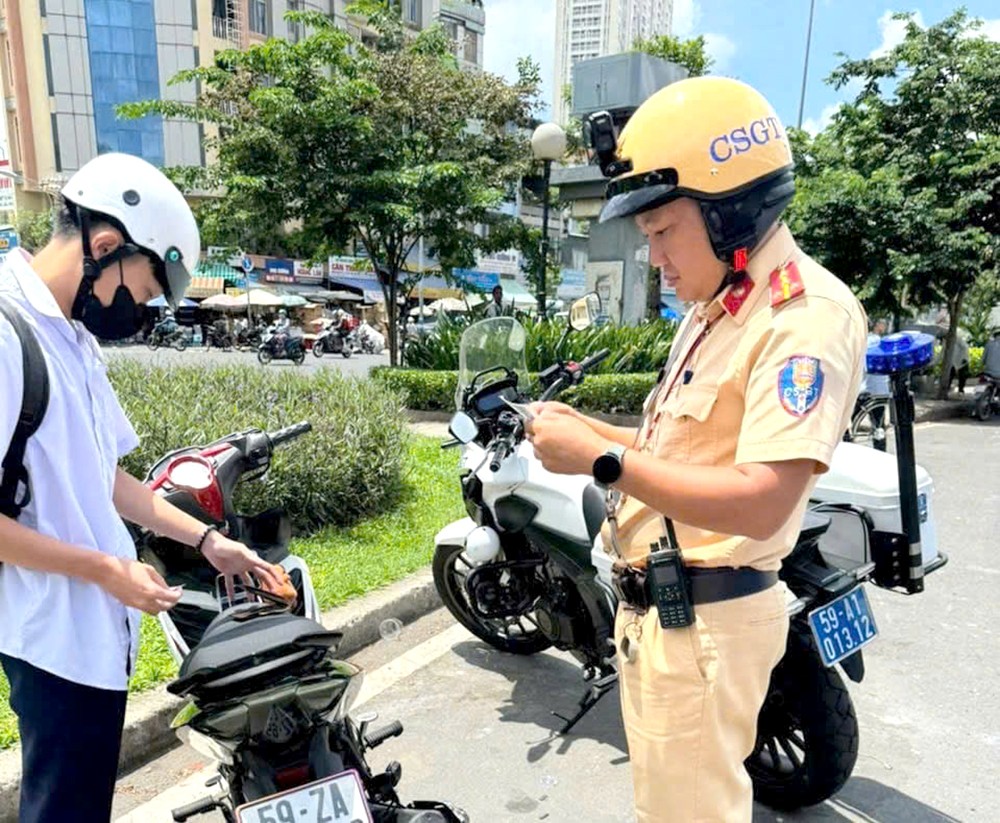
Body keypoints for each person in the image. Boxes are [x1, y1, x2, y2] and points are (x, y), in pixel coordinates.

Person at [525, 77, 867, 822]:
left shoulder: (803, 317)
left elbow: (763, 495)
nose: (655, 259)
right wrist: (591, 432)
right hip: (665, 614)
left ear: (730, 210)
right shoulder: (719, 308)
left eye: (662, 232)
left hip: (705, 621)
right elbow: (674, 445)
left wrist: (601, 461)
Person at [0, 152, 282, 823]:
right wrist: (106, 570)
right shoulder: (8, 336)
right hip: (52, 643)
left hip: (98, 635)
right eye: (148, 289)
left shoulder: (72, 338)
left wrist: (210, 540)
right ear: (105, 246)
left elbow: (108, 478)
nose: (145, 309)